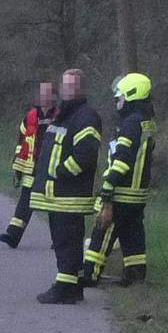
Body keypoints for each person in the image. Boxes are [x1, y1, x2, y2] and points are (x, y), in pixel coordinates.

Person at [26, 69, 103, 304]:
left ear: (81, 88)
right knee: (65, 241)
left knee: (65, 242)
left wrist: (61, 173)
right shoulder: (65, 114)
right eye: (65, 85)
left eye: (72, 85)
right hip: (59, 194)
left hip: (69, 195)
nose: (67, 89)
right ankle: (74, 285)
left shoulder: (85, 116)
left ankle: (64, 289)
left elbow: (86, 153)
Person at [83, 72, 157, 286]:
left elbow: (122, 158)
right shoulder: (146, 122)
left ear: (131, 95)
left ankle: (90, 274)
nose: (117, 102)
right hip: (137, 194)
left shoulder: (131, 123)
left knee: (103, 232)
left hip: (122, 192)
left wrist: (108, 186)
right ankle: (135, 276)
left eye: (120, 97)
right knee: (132, 234)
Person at [0, 81, 58, 247]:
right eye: (42, 93)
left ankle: (58, 240)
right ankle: (13, 235)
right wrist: (18, 167)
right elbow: (22, 142)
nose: (44, 96)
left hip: (51, 167)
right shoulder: (30, 117)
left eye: (47, 93)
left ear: (53, 96)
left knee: (53, 204)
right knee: (25, 200)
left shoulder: (59, 116)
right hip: (32, 166)